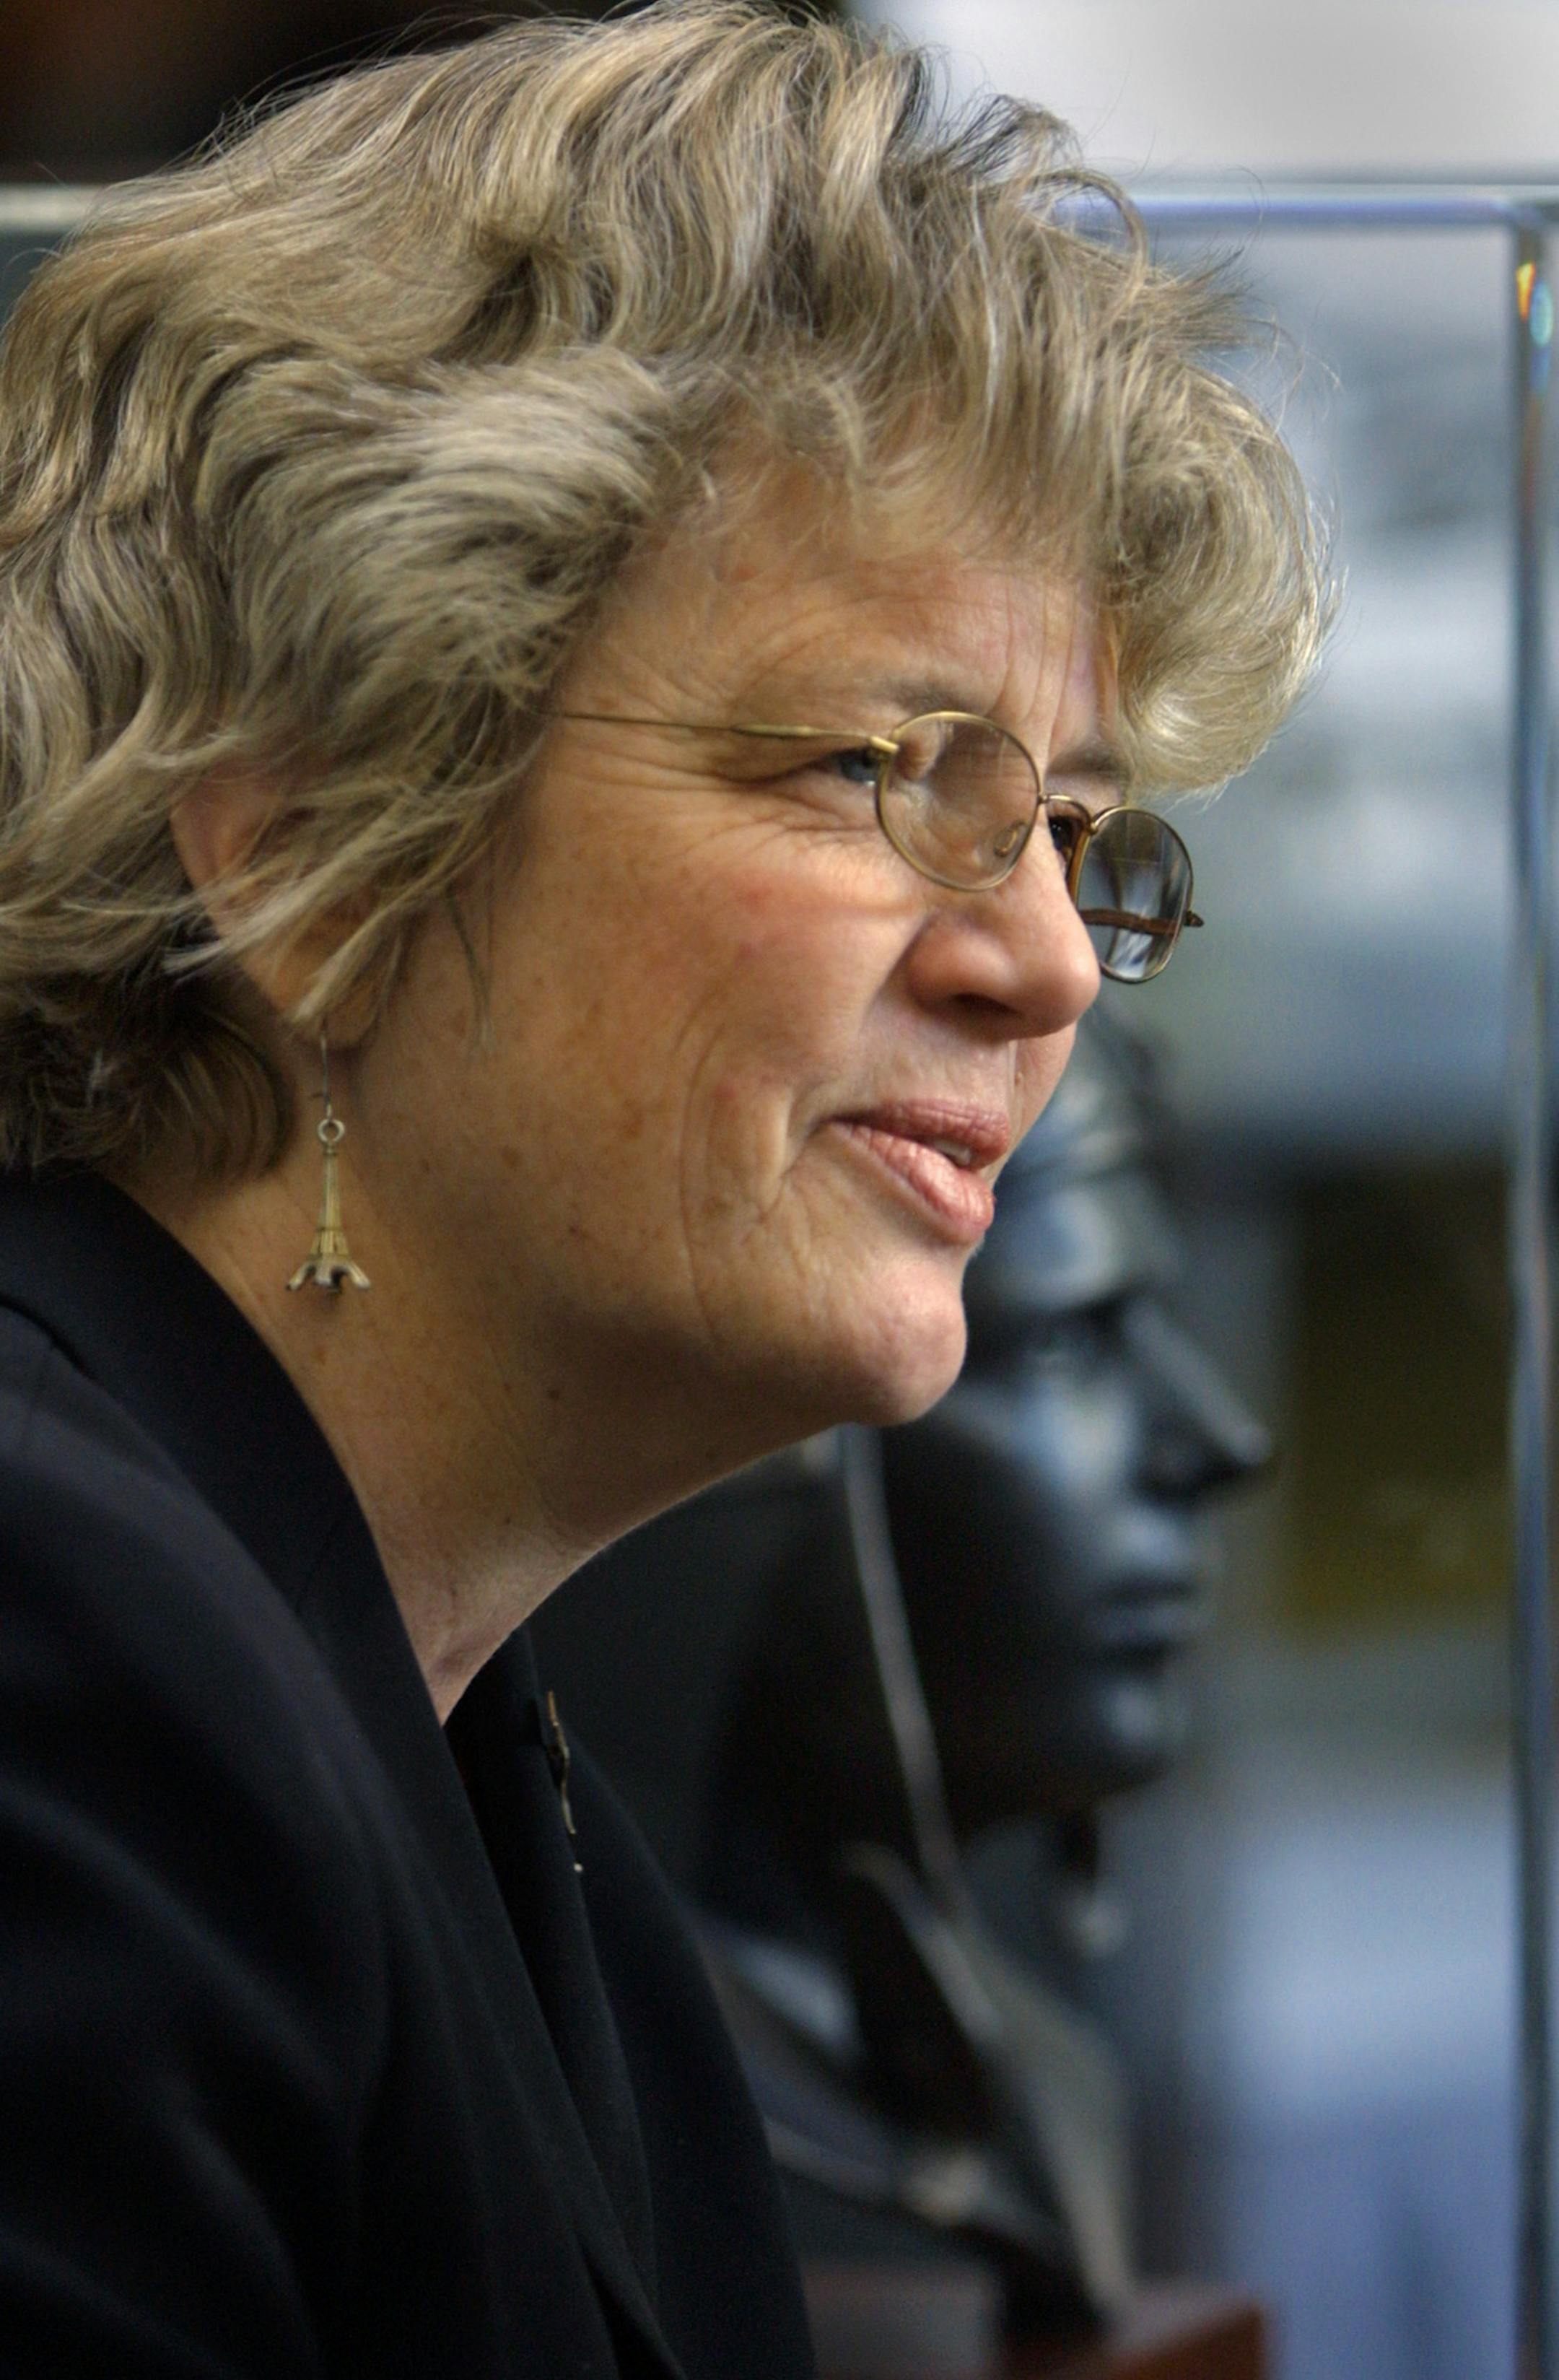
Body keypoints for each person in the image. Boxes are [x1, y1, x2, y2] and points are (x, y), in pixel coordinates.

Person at [0, 4, 1325, 2374]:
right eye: (882, 765)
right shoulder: (62, 1650)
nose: (1044, 962)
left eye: (1073, 828)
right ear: (311, 843)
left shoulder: (538, 1848)